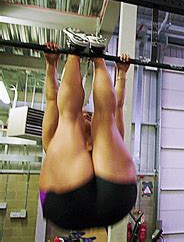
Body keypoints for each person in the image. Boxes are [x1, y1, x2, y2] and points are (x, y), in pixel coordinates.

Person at [39, 28, 137, 230]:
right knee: (103, 118)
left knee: (69, 117)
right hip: (116, 200)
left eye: (88, 115)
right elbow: (114, 106)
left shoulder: (53, 142)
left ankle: (76, 50)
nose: (87, 114)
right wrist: (121, 73)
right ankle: (97, 56)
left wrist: (52, 65)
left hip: (64, 203)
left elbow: (53, 100)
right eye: (86, 114)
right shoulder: (104, 136)